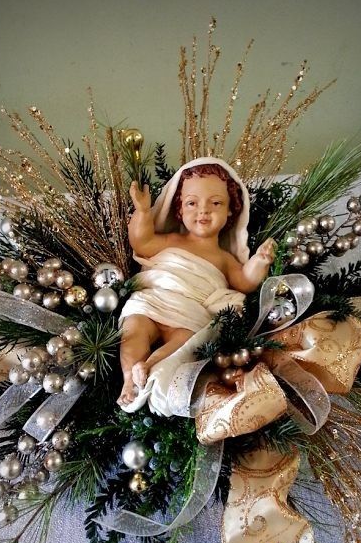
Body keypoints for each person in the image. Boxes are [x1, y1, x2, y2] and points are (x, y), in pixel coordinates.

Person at [117, 157, 276, 408]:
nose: (203, 211)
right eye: (192, 203)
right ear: (179, 209)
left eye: (215, 203)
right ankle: (129, 380)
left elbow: (245, 282)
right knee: (133, 329)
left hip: (188, 313)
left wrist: (259, 261)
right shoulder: (170, 240)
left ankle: (147, 367)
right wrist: (144, 212)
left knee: (185, 341)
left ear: (231, 210)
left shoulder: (225, 259)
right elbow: (142, 242)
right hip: (154, 300)